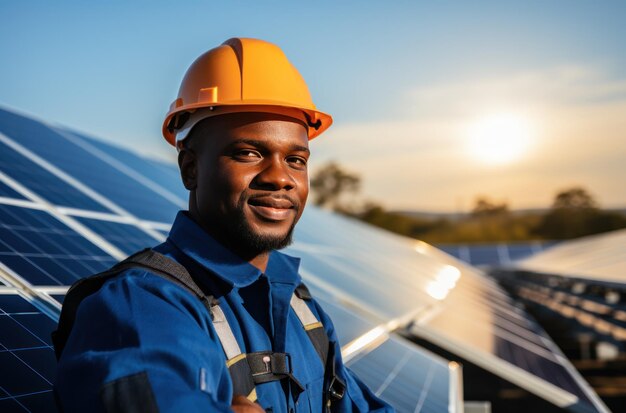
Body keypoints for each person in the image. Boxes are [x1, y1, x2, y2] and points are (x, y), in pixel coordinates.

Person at [54, 38, 394, 413]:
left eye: (296, 159)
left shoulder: (299, 304)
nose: (280, 177)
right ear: (190, 169)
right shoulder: (141, 307)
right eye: (249, 153)